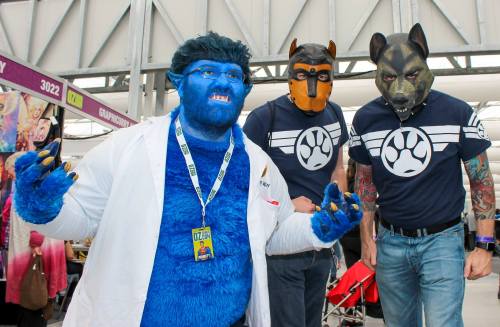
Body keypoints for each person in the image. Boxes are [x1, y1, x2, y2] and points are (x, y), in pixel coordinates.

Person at [12, 32, 362, 327]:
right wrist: (43, 206)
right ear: (178, 81)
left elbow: (275, 234)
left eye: (234, 75)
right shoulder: (128, 147)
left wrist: (320, 227)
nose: (223, 81)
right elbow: (79, 219)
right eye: (207, 71)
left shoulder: (258, 165)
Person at [349, 23, 496, 327]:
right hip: (391, 241)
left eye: (411, 75)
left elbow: (480, 180)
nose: (400, 87)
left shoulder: (458, 113)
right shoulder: (365, 120)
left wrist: (484, 246)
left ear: (425, 65)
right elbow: (364, 185)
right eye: (389, 77)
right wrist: (367, 240)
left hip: (442, 241)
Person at [244, 38, 349, 327]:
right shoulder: (264, 118)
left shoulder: (335, 114)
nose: (312, 85)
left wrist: (336, 202)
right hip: (282, 247)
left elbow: (338, 167)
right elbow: (242, 183)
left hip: (321, 244)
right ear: (291, 75)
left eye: (322, 76)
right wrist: (286, 207)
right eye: (303, 74)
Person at [4, 152, 67, 327]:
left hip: (34, 247)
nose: (9, 175)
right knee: (38, 290)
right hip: (38, 245)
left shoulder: (32, 185)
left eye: (11, 170)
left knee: (32, 289)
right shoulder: (38, 183)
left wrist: (35, 243)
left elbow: (37, 218)